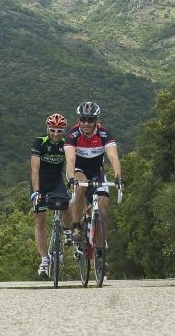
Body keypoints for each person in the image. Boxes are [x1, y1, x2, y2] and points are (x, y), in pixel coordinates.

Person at [64, 101, 123, 254]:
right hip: (78, 170)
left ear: (96, 120)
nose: (86, 123)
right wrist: (71, 178)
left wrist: (118, 177)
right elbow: (70, 160)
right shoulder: (72, 135)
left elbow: (113, 158)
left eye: (90, 120)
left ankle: (100, 250)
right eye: (83, 119)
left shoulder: (104, 135)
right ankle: (76, 227)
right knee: (81, 185)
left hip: (97, 171)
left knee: (102, 212)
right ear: (78, 120)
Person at [30, 113, 71, 279]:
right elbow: (34, 169)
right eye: (53, 130)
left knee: (67, 205)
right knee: (40, 219)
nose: (56, 133)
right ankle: (44, 259)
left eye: (59, 130)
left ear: (63, 131)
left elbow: (70, 164)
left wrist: (71, 181)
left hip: (56, 182)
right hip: (41, 183)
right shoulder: (40, 142)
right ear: (47, 129)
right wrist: (37, 192)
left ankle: (67, 232)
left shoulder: (66, 144)